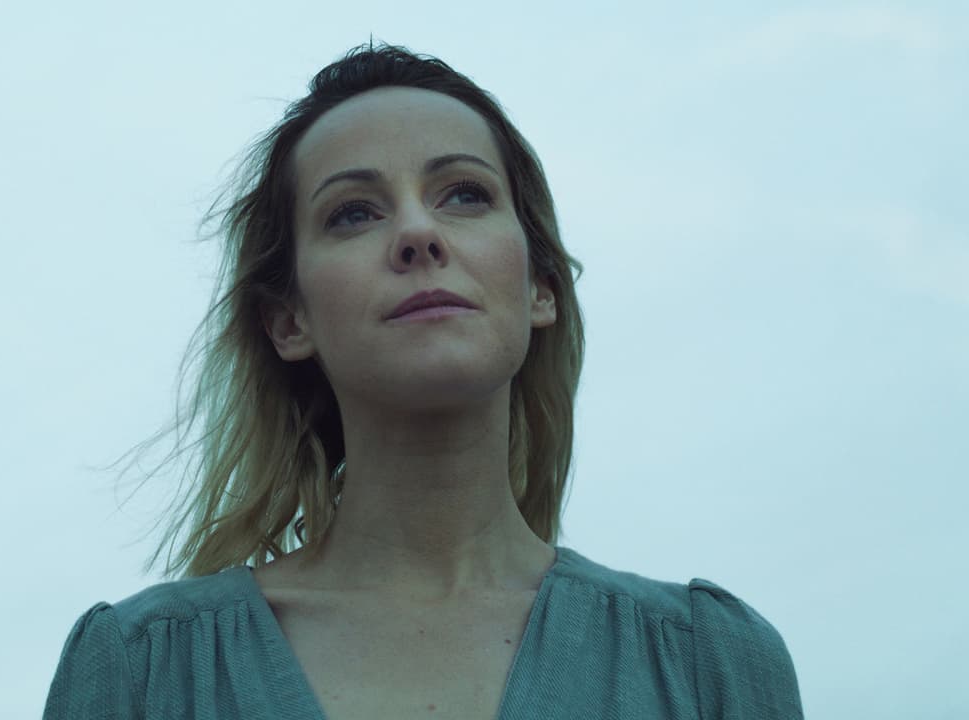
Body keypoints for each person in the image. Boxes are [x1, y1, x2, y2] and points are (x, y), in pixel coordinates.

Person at [42, 43, 804, 719]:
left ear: (540, 286)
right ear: (288, 320)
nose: (417, 233)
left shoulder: (711, 663)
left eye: (465, 194)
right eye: (353, 213)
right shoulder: (138, 672)